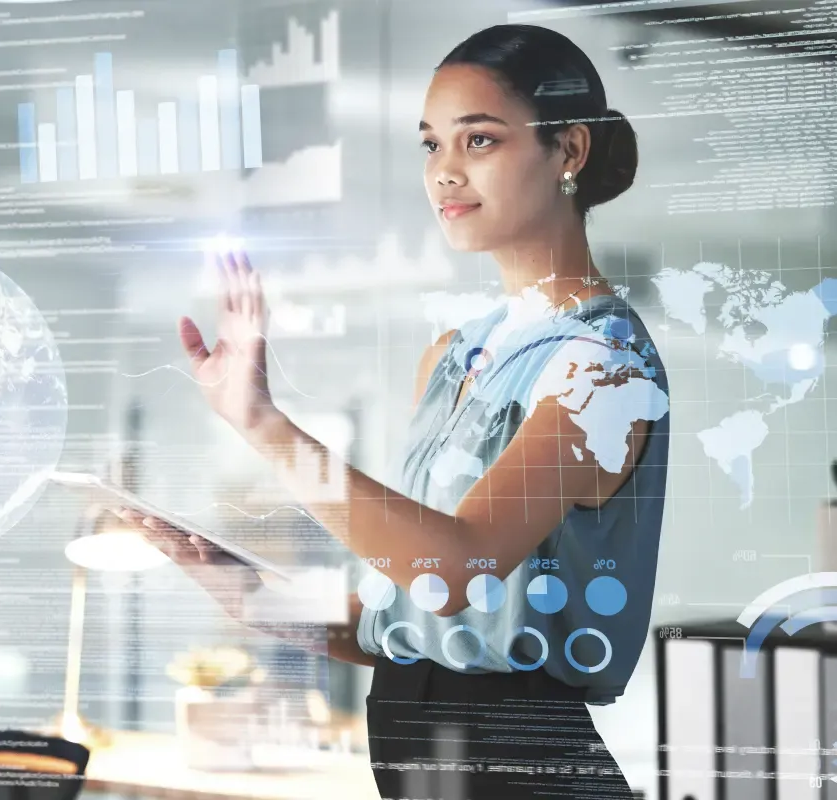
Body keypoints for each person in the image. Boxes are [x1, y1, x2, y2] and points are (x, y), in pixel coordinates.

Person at [121, 23, 670, 800]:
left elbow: (455, 571)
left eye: (478, 140)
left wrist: (263, 425)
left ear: (570, 151)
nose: (445, 172)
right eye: (430, 145)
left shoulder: (604, 369)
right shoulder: (452, 358)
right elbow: (407, 623)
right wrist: (244, 590)